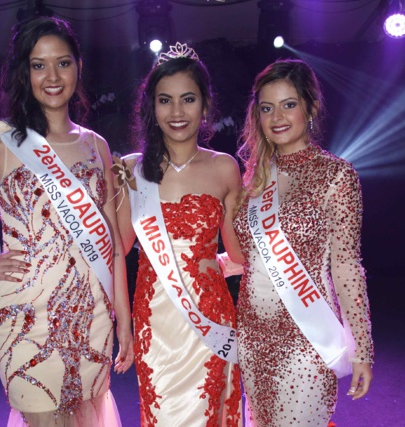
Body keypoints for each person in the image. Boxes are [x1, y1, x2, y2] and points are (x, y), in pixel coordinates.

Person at [0, 16, 133, 426]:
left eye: (63, 63)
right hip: (26, 317)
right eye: (38, 65)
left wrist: (124, 315)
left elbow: (109, 244)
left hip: (94, 318)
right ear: (23, 71)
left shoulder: (96, 146)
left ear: (78, 67)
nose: (52, 76)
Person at [233, 59, 374, 426]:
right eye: (267, 108)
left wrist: (363, 349)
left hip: (308, 336)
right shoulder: (251, 180)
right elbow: (251, 257)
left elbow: (346, 265)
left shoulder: (336, 175)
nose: (277, 116)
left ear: (310, 108)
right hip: (253, 333)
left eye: (289, 104)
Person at [114, 43, 243, 426]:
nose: (176, 112)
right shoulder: (129, 169)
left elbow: (238, 251)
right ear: (151, 108)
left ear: (205, 105)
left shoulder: (224, 168)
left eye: (188, 99)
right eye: (165, 100)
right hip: (156, 320)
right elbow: (117, 250)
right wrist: (123, 325)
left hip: (212, 319)